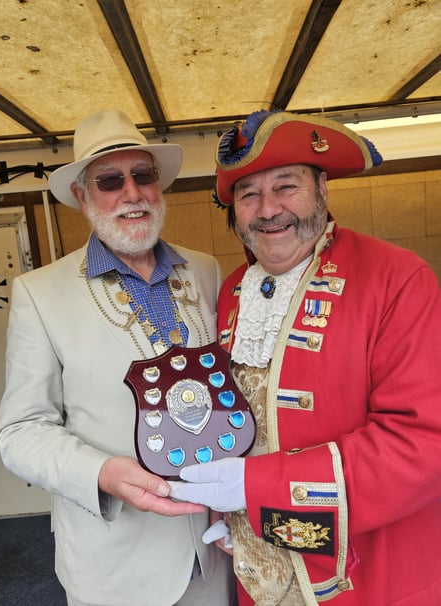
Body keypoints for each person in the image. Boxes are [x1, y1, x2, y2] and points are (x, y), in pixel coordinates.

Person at [168, 110, 441, 605]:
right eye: (248, 194)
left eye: (286, 186)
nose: (268, 209)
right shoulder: (232, 289)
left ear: (322, 190)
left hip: (366, 572)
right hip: (258, 562)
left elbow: (422, 445)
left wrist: (253, 488)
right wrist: (229, 509)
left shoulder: (397, 278)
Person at [0, 109, 236, 606]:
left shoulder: (205, 270)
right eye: (109, 180)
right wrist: (101, 473)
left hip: (212, 548)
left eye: (142, 175)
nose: (132, 193)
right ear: (82, 196)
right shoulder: (40, 293)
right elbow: (20, 431)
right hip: (115, 565)